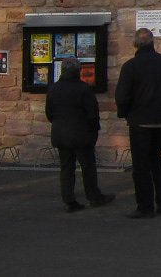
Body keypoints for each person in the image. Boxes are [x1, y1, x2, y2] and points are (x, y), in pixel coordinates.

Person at [115, 28, 161, 219]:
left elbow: (122, 96)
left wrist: (124, 114)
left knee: (141, 165)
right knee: (157, 160)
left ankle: (145, 206)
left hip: (140, 121)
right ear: (153, 42)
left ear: (135, 44)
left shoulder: (130, 66)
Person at [44, 57, 115, 212]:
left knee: (66, 168)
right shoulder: (83, 89)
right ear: (78, 71)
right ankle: (93, 196)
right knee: (88, 167)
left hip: (61, 134)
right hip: (82, 134)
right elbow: (92, 114)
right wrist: (93, 131)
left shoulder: (53, 89)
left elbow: (49, 113)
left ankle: (69, 200)